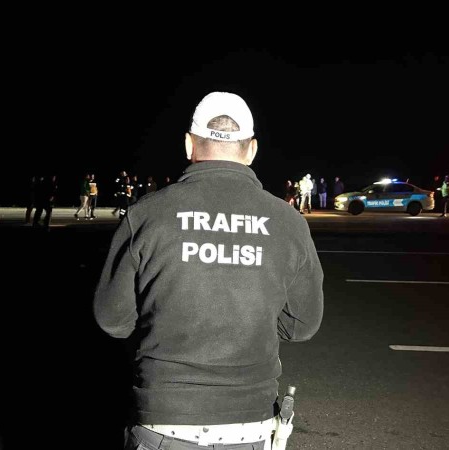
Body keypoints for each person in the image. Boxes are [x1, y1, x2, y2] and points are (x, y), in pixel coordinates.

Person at [93, 91, 324, 450]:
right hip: (249, 423)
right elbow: (301, 325)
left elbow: (113, 320)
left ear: (189, 145)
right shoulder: (288, 222)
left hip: (163, 419)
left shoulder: (147, 214)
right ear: (251, 150)